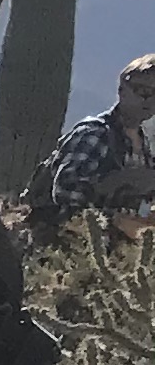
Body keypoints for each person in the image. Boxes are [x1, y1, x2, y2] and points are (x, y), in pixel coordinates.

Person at [26, 52, 155, 245]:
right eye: (142, 91)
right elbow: (66, 191)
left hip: (112, 253)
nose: (149, 100)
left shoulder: (142, 141)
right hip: (71, 251)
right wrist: (115, 219)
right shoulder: (96, 133)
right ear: (122, 90)